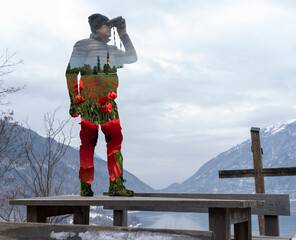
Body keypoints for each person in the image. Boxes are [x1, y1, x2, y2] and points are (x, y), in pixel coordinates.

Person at [65, 13, 137, 196]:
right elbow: (71, 73)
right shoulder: (82, 45)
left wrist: (123, 33)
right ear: (98, 28)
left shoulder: (112, 50)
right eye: (107, 26)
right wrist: (75, 101)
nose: (110, 28)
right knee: (89, 143)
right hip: (89, 102)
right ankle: (86, 186)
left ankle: (116, 185)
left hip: (109, 103)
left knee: (115, 143)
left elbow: (132, 57)